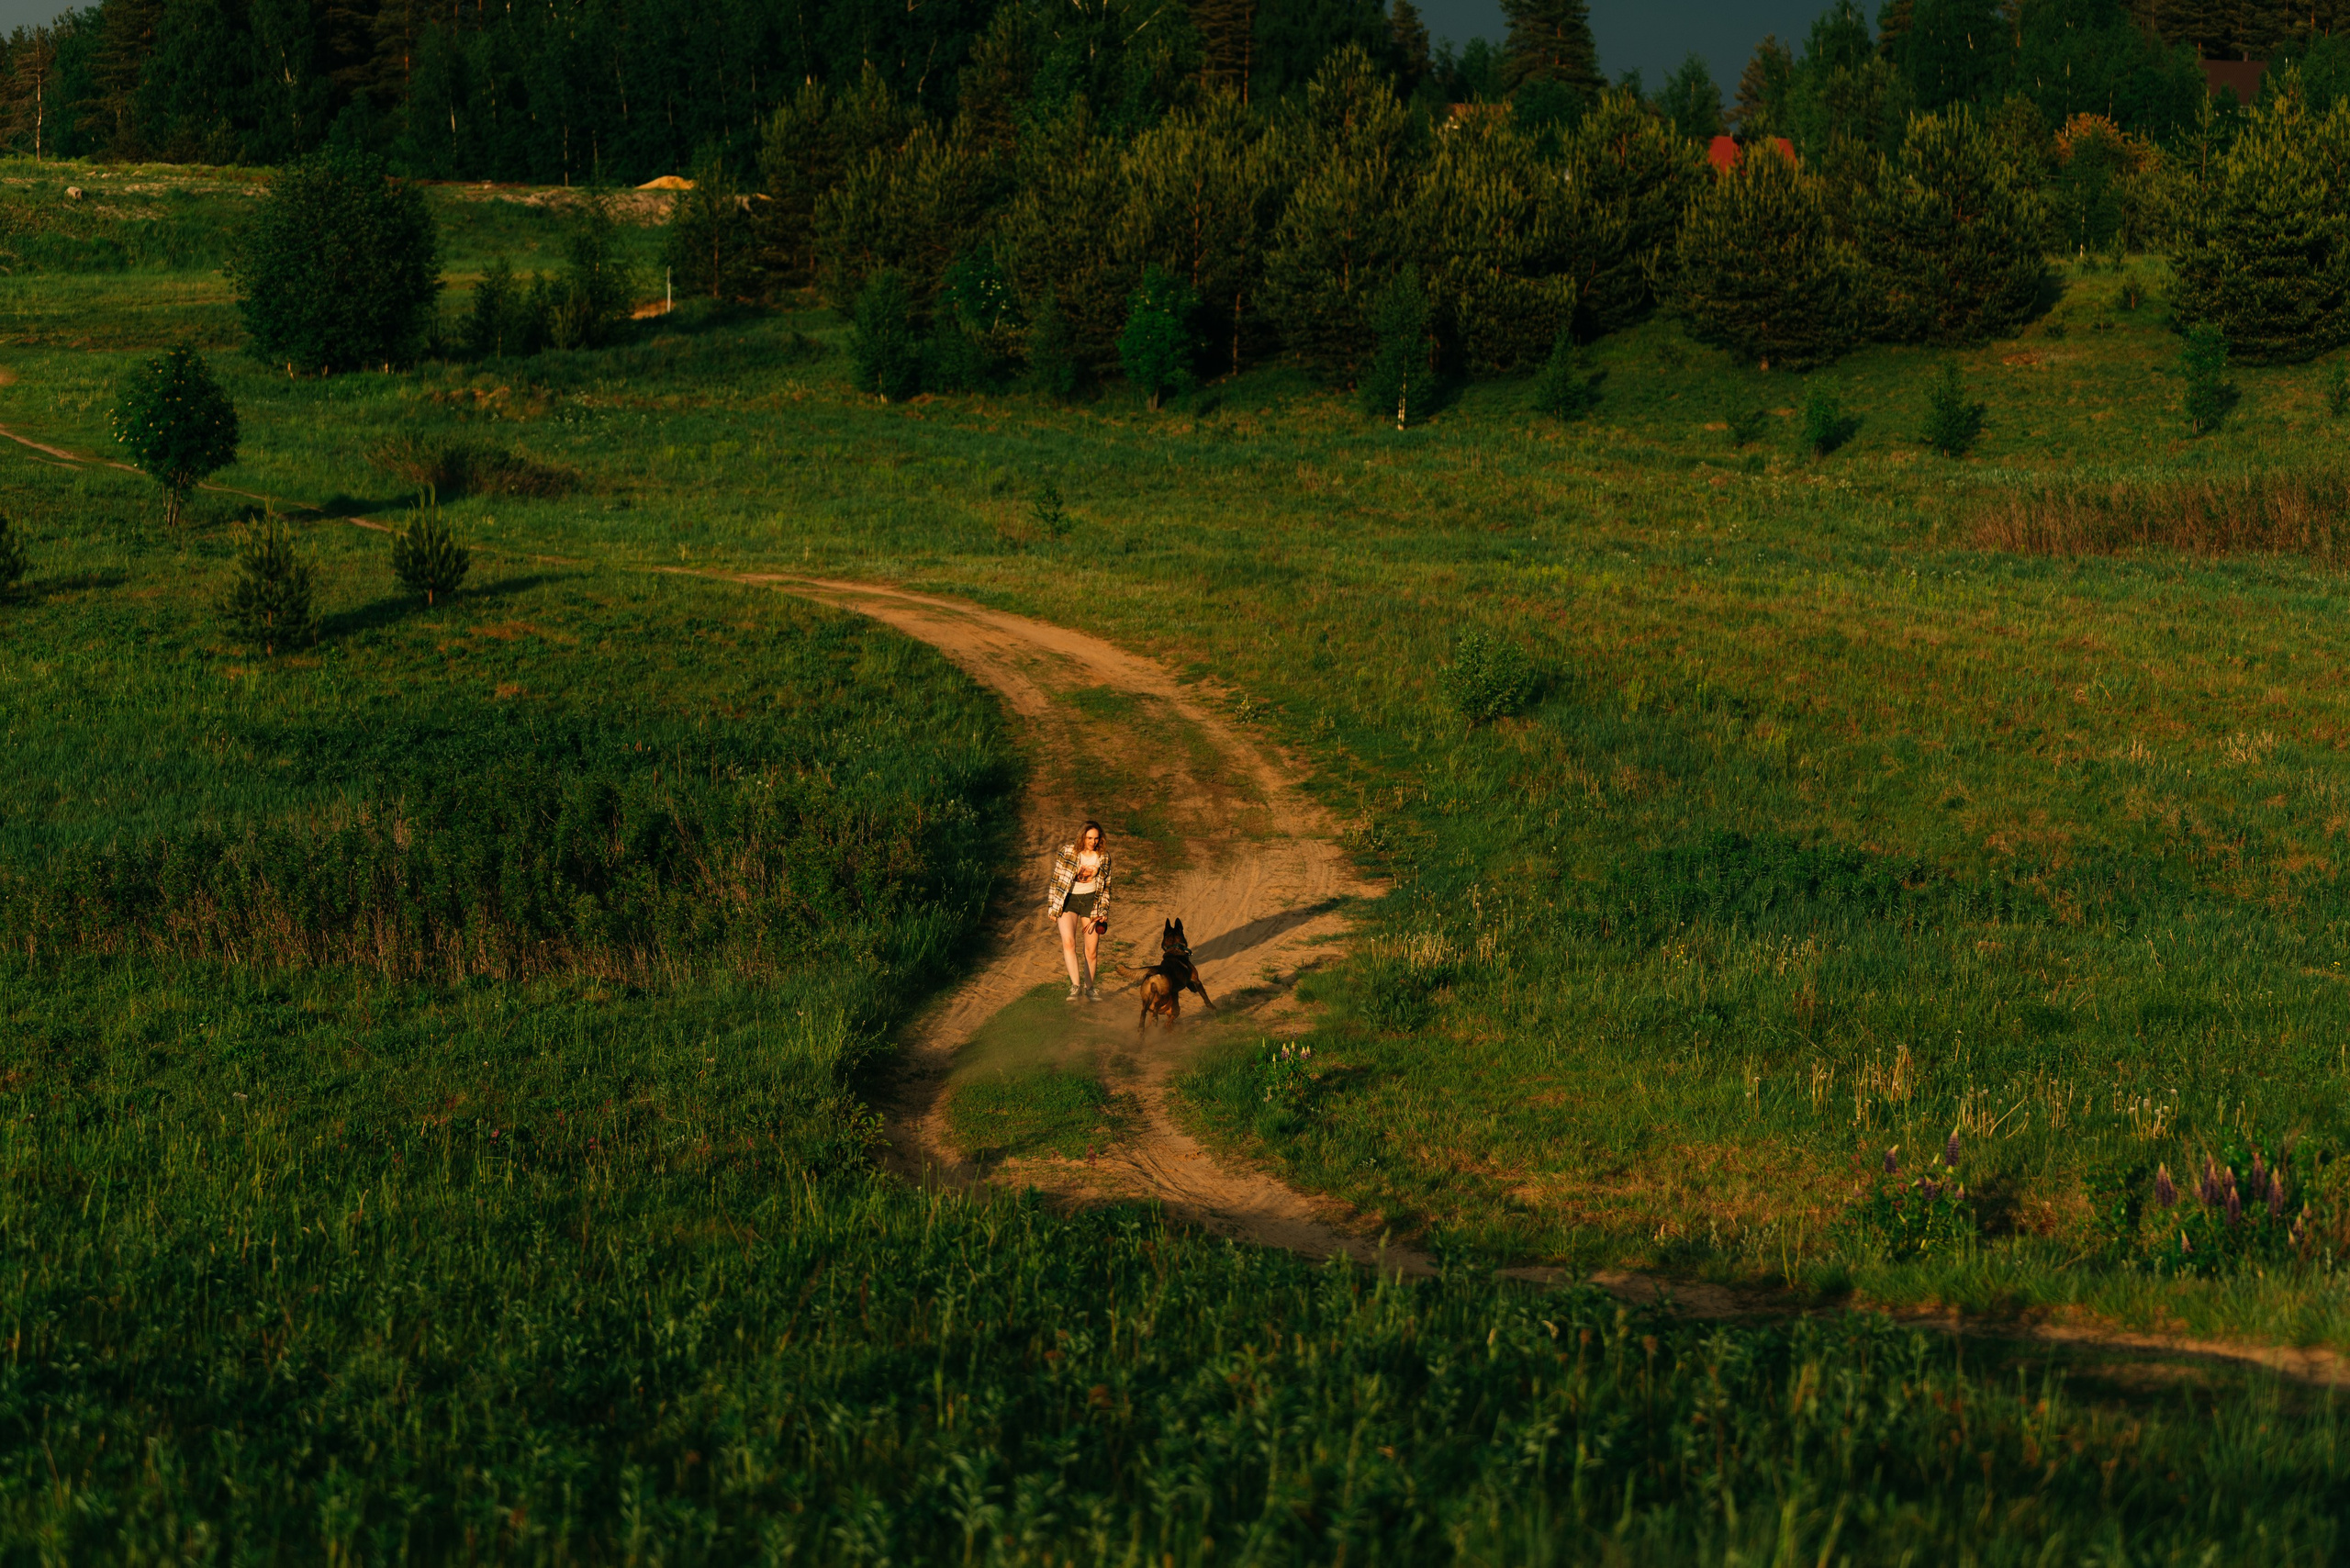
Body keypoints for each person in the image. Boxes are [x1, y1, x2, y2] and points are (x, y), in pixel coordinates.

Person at [1046, 821, 1112, 1002]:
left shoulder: (1104, 857)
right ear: (1082, 836)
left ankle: (1089, 988)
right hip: (1068, 901)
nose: (1093, 842)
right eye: (1090, 838)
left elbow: (1106, 886)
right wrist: (1052, 907)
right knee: (1069, 943)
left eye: (1096, 838)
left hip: (1091, 902)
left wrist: (1104, 910)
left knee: (1091, 950)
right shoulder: (1068, 852)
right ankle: (1075, 987)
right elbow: (1056, 879)